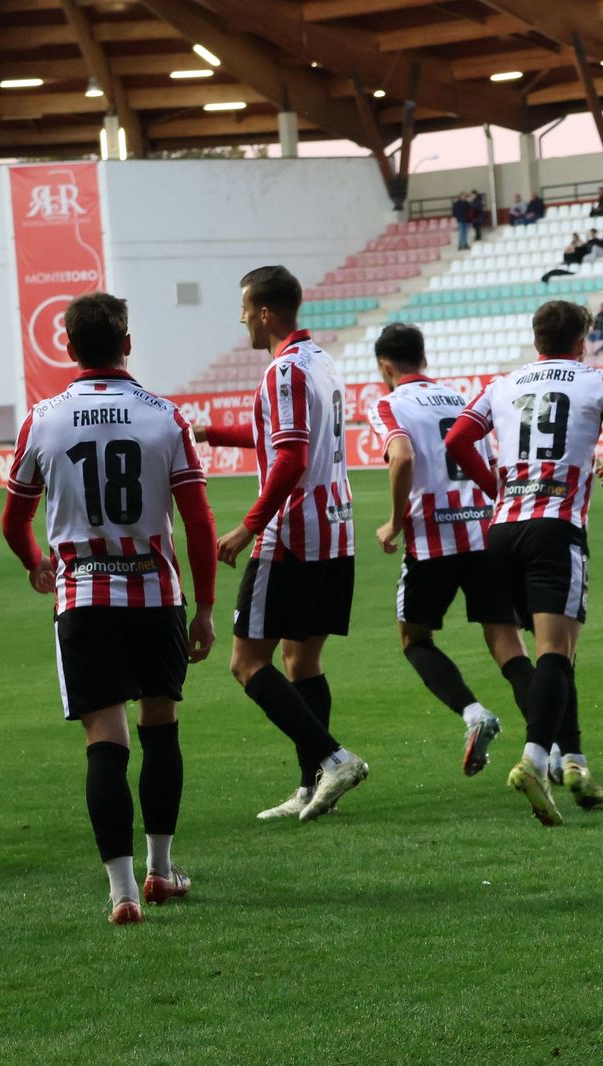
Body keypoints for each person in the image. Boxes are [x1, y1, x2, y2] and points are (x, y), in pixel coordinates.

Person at [0, 292, 215, 923]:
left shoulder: (44, 418)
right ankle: (160, 871)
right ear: (127, 343)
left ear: (67, 346)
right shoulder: (164, 417)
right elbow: (197, 519)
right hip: (155, 596)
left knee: (105, 742)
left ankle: (122, 893)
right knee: (161, 729)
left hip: (85, 598)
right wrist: (203, 606)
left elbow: (14, 520)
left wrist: (35, 560)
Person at [445, 302, 603, 825]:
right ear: (582, 339)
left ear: (535, 337)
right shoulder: (597, 381)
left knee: (539, 653)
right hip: (555, 531)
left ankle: (575, 761)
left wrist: (496, 486)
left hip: (502, 530)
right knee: (557, 652)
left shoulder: (502, 383)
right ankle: (538, 759)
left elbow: (457, 439)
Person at [195, 266, 368, 823]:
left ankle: (334, 758)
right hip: (337, 528)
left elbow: (290, 456)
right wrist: (212, 434)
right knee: (302, 661)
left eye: (245, 308)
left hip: (293, 535)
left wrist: (248, 526)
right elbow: (285, 435)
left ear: (265, 311)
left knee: (247, 663)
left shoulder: (283, 371)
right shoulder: (322, 362)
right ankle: (311, 785)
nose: (241, 318)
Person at [367, 323, 531, 776]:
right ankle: (549, 745)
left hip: (432, 540)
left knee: (415, 638)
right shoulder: (461, 399)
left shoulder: (388, 403)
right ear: (423, 358)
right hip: (484, 532)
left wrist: (395, 521)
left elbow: (401, 457)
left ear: (386, 366)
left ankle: (474, 713)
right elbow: (494, 462)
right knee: (509, 645)